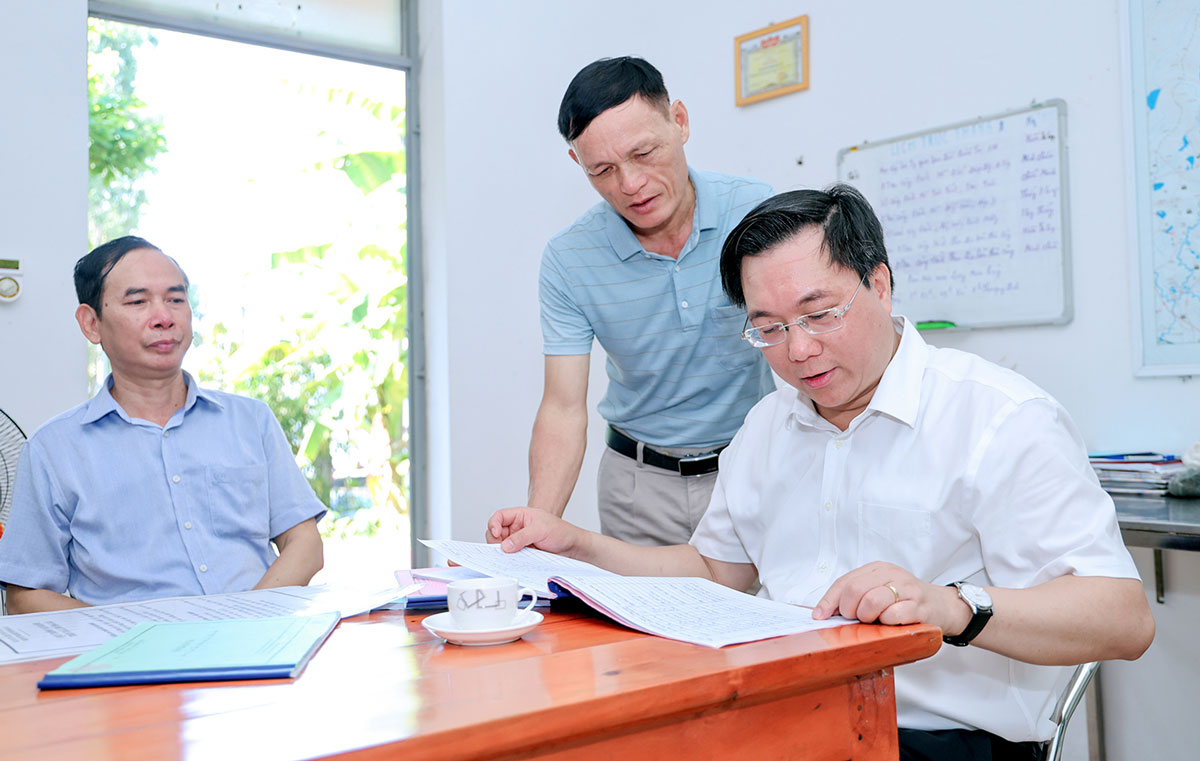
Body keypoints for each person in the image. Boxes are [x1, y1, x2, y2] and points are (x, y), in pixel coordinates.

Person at [489, 186, 1155, 759]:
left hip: (935, 736)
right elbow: (717, 572)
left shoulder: (999, 418)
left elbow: (1124, 619)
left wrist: (949, 604)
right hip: (782, 717)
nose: (799, 349)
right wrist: (576, 544)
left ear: (881, 283)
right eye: (769, 328)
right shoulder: (768, 425)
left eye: (820, 314)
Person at [0, 236, 325, 614]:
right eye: (138, 302)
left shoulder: (250, 421)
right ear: (91, 324)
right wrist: (128, 637)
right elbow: (25, 596)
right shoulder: (54, 449)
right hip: (129, 663)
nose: (164, 317)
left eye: (175, 299)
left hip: (265, 641)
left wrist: (247, 618)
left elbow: (305, 542)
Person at [530, 56, 774, 546]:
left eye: (643, 153)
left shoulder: (755, 211)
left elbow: (805, 338)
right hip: (637, 486)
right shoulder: (568, 258)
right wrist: (539, 525)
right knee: (639, 621)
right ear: (579, 164)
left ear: (679, 122)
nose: (630, 185)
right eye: (603, 170)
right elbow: (562, 407)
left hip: (753, 469)